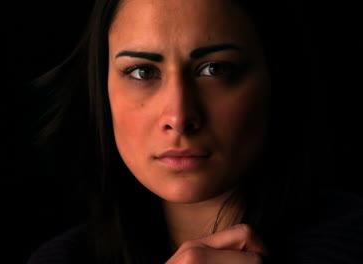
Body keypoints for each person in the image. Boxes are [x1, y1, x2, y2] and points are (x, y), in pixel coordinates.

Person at [27, 0, 363, 263]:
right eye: (142, 72)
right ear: (102, 91)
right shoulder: (64, 258)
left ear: (276, 79)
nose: (179, 116)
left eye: (214, 69)